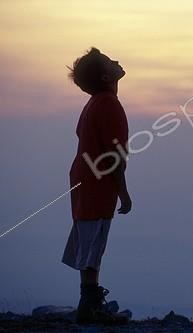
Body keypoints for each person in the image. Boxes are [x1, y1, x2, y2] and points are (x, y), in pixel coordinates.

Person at [62, 47, 132, 325]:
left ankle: (88, 299)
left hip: (83, 178)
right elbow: (113, 153)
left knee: (88, 239)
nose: (117, 60)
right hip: (96, 182)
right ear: (105, 77)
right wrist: (123, 192)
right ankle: (90, 305)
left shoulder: (94, 104)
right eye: (109, 61)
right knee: (93, 242)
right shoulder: (109, 104)